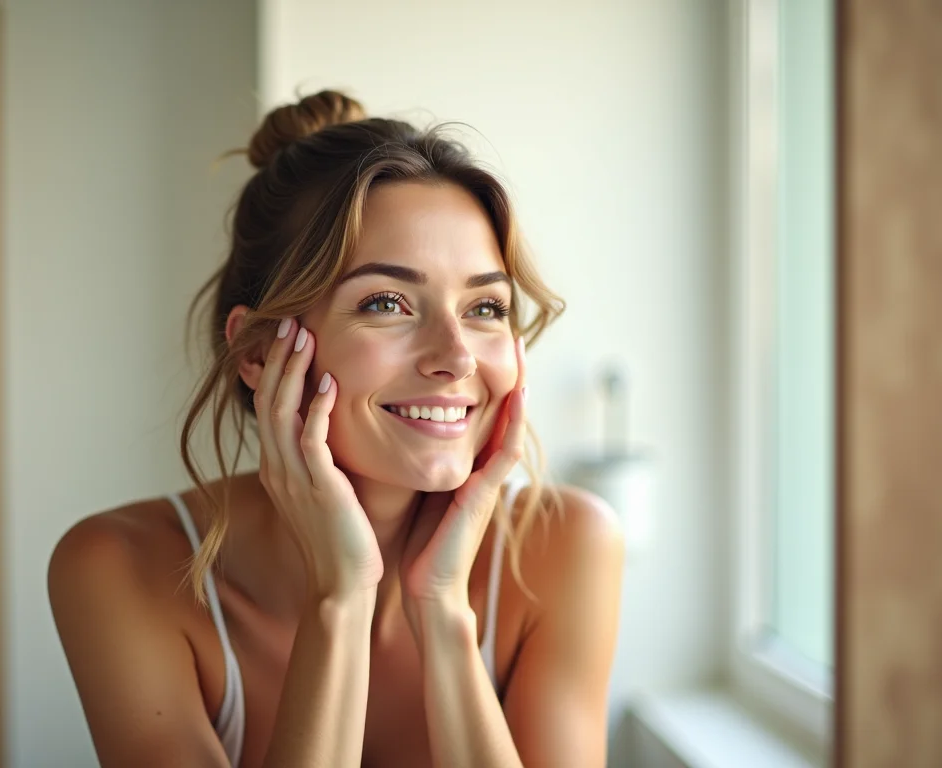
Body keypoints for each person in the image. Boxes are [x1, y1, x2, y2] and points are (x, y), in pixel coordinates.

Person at [49, 90, 624, 768]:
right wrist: (341, 600)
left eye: (485, 307)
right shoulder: (119, 567)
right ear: (259, 351)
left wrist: (444, 613)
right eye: (387, 302)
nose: (457, 357)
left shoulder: (567, 548)